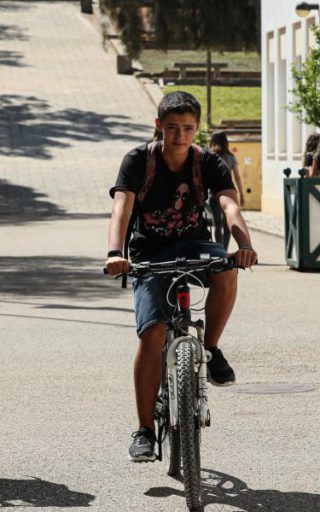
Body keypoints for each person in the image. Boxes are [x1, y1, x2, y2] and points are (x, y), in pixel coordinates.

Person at [104, 91, 258, 462]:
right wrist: (115, 253)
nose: (180, 136)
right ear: (159, 126)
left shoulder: (208, 162)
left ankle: (213, 347)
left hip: (194, 245)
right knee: (153, 332)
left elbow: (228, 205)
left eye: (188, 129)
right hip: (148, 251)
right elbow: (121, 209)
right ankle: (144, 430)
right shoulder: (138, 160)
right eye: (172, 128)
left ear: (197, 129)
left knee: (226, 270)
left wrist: (244, 244)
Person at [208, 131, 246, 250]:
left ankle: (219, 250)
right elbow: (238, 177)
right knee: (227, 224)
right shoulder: (231, 157)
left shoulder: (209, 156)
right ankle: (225, 250)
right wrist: (242, 195)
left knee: (217, 224)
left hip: (212, 193)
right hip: (228, 194)